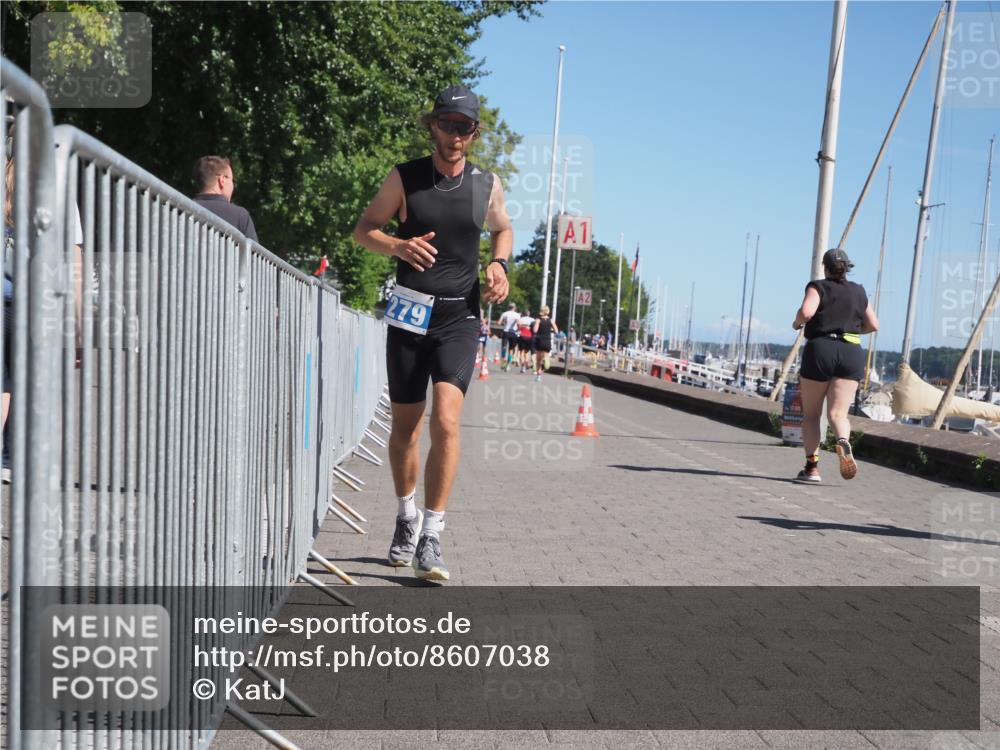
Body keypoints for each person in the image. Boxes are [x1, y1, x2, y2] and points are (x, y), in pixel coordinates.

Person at [352, 84, 512, 581]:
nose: (454, 136)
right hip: (408, 315)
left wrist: (500, 264)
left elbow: (503, 228)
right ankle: (406, 517)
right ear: (432, 125)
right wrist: (397, 247)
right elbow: (364, 229)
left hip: (459, 318)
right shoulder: (405, 178)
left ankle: (433, 535)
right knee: (406, 430)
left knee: (446, 419)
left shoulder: (487, 185)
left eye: (464, 128)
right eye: (447, 125)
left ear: (474, 133)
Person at [791, 248, 879, 483]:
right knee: (838, 414)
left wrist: (796, 323)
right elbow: (874, 324)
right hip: (851, 351)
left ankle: (812, 469)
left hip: (821, 349)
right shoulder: (859, 291)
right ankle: (843, 441)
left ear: (825, 267)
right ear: (847, 267)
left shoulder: (818, 286)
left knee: (811, 415)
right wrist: (852, 329)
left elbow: (806, 312)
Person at [192, 156, 258, 242]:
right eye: (232, 180)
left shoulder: (180, 208)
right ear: (222, 180)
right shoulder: (240, 216)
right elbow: (253, 254)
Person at [531, 305, 557, 381]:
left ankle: (538, 376)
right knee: (545, 356)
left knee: (538, 359)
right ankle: (546, 361)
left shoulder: (538, 320)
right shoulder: (551, 320)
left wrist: (536, 327)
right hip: (547, 341)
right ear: (548, 311)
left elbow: (535, 330)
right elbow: (556, 331)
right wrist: (550, 330)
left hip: (539, 340)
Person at [498, 302, 519, 370]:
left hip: (506, 332)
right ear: (514, 308)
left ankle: (503, 360)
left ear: (508, 307)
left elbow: (499, 323)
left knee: (504, 347)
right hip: (513, 332)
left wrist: (504, 323)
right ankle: (508, 364)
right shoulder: (517, 315)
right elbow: (518, 324)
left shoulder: (505, 313)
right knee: (511, 349)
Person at [516, 308, 534, 373]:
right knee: (526, 352)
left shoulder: (521, 319)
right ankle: (526, 363)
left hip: (522, 336)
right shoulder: (532, 320)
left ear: (523, 314)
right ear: (529, 314)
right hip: (529, 337)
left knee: (521, 352)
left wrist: (521, 328)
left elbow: (518, 326)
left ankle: (523, 367)